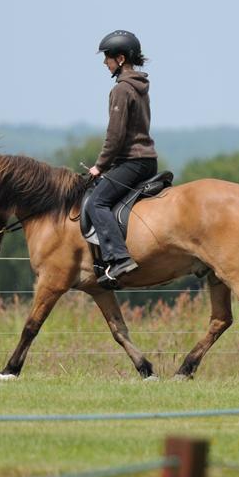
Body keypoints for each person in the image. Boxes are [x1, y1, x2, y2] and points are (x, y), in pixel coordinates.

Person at [87, 29, 158, 288]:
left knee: (96, 202)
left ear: (120, 58)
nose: (104, 63)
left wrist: (99, 166)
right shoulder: (140, 86)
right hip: (147, 160)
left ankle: (119, 258)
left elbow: (115, 136)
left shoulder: (121, 90)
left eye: (107, 57)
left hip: (132, 161)